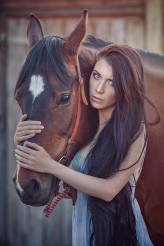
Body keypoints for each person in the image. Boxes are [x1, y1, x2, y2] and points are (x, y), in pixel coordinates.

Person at [14, 44, 153, 246]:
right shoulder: (84, 131)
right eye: (96, 76)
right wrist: (20, 139)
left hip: (123, 232)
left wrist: (51, 166)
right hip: (83, 227)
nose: (99, 88)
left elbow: (109, 190)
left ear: (125, 88)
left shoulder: (135, 130)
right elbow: (50, 149)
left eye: (111, 82)